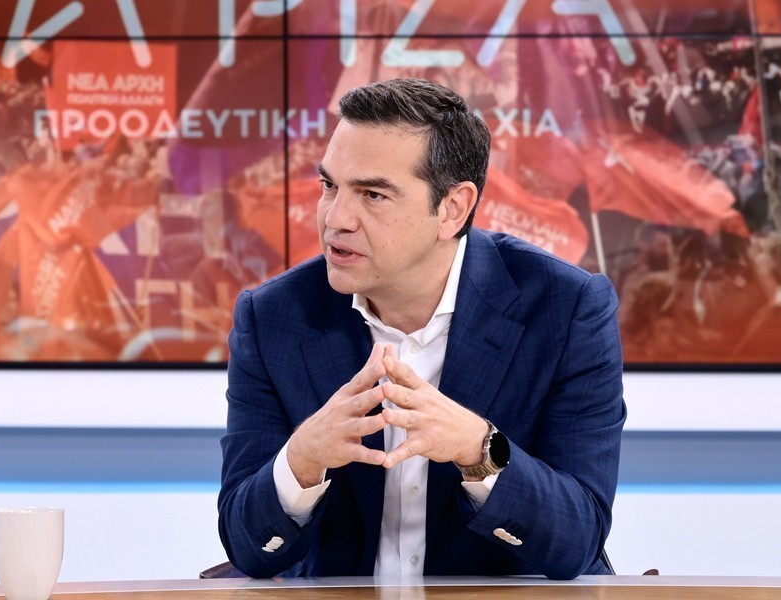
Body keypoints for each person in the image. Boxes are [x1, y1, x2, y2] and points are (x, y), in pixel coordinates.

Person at [218, 78, 626, 580]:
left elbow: (579, 539)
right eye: (329, 186)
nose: (335, 218)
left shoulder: (565, 309)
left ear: (453, 209)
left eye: (372, 194)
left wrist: (479, 450)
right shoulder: (273, 317)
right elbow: (248, 548)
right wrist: (300, 460)